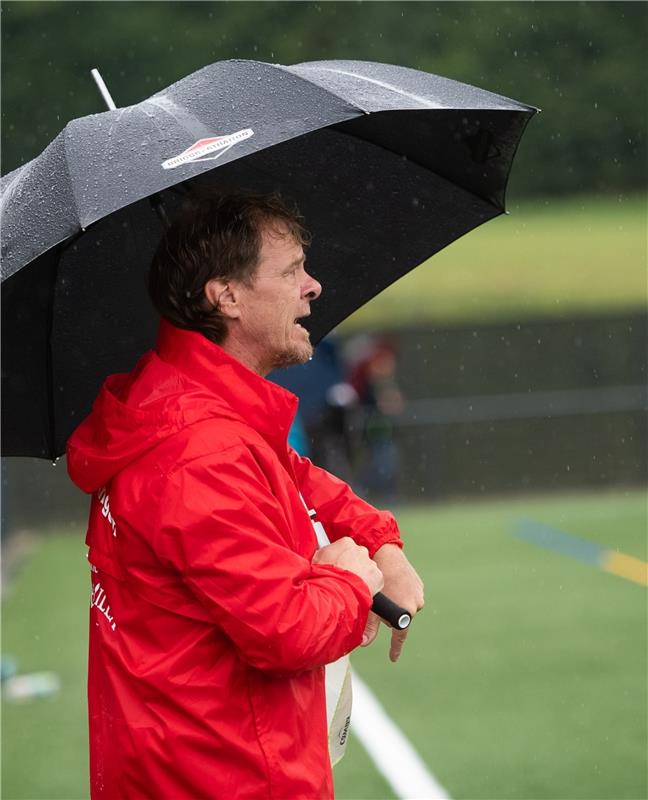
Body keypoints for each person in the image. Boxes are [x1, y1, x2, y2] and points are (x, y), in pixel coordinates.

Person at [67, 193, 424, 800]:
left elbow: (297, 476)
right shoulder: (199, 452)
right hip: (227, 777)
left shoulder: (190, 408)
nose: (312, 286)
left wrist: (381, 543)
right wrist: (352, 580)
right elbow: (287, 632)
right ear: (225, 295)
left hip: (183, 767)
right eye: (290, 271)